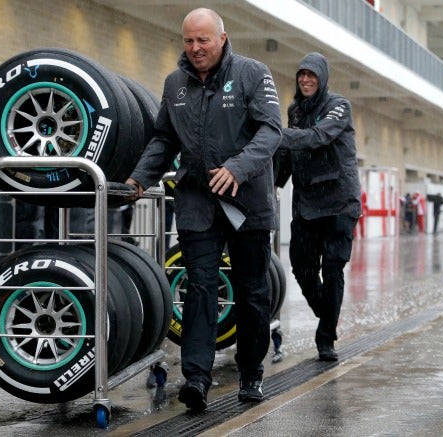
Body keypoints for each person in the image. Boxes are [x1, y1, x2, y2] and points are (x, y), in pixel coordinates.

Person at [125, 8, 282, 411]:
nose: (195, 48)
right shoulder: (175, 83)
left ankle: (251, 372)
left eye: (203, 40)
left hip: (247, 202)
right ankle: (197, 377)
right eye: (189, 41)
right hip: (197, 201)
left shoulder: (252, 73)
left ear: (222, 38)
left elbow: (271, 130)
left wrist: (237, 168)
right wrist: (139, 179)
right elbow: (164, 138)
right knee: (199, 287)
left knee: (252, 291)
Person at [279, 52, 361, 362]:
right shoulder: (295, 111)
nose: (305, 80)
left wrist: (274, 134)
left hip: (339, 200)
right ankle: (327, 313)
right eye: (301, 75)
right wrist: (271, 183)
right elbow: (288, 154)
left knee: (332, 267)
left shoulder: (339, 106)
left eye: (312, 75)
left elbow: (317, 138)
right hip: (307, 201)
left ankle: (325, 336)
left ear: (322, 79)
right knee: (301, 265)